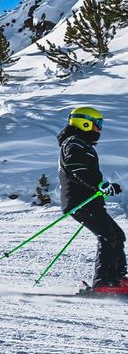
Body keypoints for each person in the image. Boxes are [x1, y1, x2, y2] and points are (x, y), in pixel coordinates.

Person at [58, 106, 127, 293]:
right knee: (107, 236)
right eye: (98, 125)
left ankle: (118, 279)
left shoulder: (81, 144)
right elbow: (76, 168)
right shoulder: (73, 144)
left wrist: (103, 185)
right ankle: (104, 283)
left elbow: (85, 172)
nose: (100, 130)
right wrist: (100, 185)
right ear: (85, 123)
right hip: (79, 202)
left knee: (117, 235)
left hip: (90, 201)